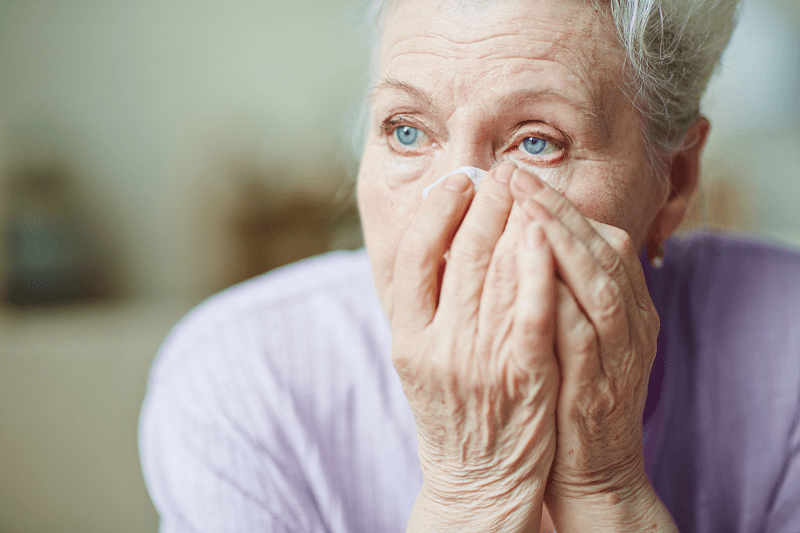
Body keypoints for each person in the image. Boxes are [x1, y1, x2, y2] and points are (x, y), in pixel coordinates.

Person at [138, 0, 800, 531]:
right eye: (406, 131)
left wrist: (607, 492)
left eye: (536, 142)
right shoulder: (238, 382)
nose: (454, 213)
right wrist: (471, 492)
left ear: (674, 180)